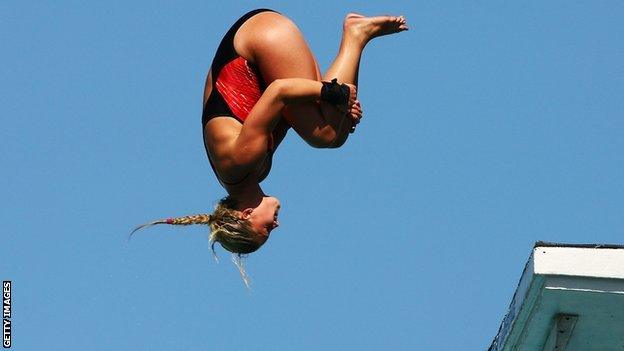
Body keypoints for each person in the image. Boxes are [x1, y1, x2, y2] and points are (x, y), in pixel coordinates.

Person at [132, 9, 408, 271]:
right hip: (259, 46)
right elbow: (282, 115)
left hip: (257, 40)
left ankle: (356, 34)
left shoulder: (240, 162)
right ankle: (356, 36)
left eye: (265, 230)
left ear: (245, 214)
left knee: (326, 134)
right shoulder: (252, 173)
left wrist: (334, 94)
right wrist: (339, 109)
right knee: (335, 128)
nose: (275, 227)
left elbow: (278, 93)